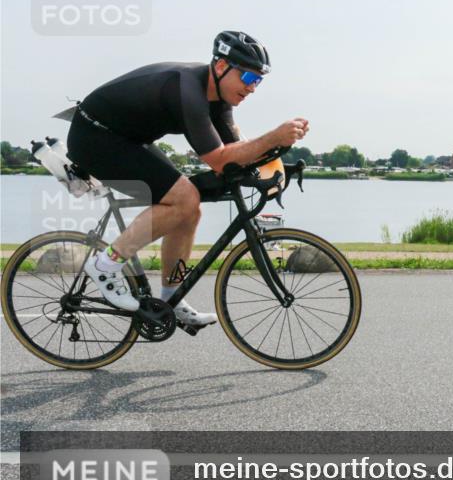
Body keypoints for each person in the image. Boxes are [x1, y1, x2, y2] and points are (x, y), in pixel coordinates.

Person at [68, 31, 309, 325]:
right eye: (248, 78)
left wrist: (275, 161)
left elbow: (236, 153)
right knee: (184, 197)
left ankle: (171, 297)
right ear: (221, 67)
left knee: (190, 209)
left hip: (128, 139)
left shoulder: (219, 102)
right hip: (93, 137)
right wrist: (273, 135)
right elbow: (219, 159)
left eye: (258, 81)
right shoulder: (187, 89)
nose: (253, 88)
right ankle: (106, 264)